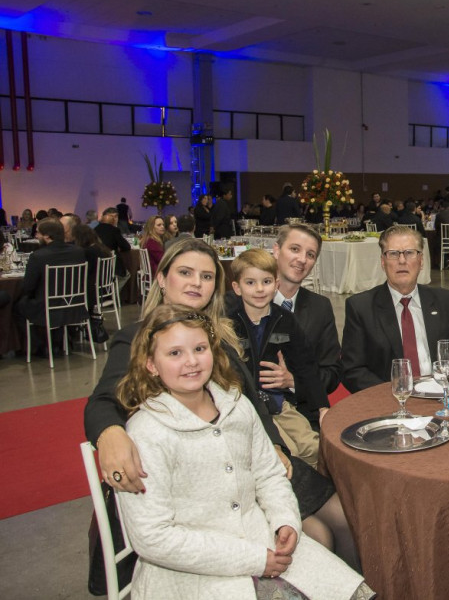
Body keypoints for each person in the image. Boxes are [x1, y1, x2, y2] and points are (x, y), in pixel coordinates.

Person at [82, 239, 352, 560]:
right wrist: (109, 434)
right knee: (320, 535)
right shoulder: (139, 337)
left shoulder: (220, 335)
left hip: (252, 455)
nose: (197, 282)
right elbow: (103, 401)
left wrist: (275, 445)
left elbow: (250, 403)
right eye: (186, 272)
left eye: (207, 276)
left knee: (348, 517)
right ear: (161, 278)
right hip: (201, 479)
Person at [114, 305, 367, 600]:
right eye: (175, 354)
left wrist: (285, 520)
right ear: (151, 365)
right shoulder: (146, 432)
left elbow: (269, 474)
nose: (192, 362)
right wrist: (254, 558)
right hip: (190, 575)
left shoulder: (236, 406)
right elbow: (152, 538)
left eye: (199, 348)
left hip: (263, 542)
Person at [341, 225, 449, 393]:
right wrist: (394, 392)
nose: (402, 260)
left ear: (421, 260)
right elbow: (352, 370)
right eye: (393, 254)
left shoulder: (444, 300)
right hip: (390, 400)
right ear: (383, 261)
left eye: (409, 252)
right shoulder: (361, 307)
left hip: (441, 396)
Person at [226, 249, 324, 468]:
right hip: (248, 409)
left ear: (276, 284)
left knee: (316, 448)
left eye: (266, 281)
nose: (260, 289)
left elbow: (306, 365)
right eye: (250, 283)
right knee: (289, 455)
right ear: (237, 288)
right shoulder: (228, 325)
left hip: (280, 404)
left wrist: (323, 407)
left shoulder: (285, 319)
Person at [272, 224, 342, 418]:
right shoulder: (249, 302)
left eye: (310, 255)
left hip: (308, 410)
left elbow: (332, 374)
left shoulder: (320, 307)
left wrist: (293, 381)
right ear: (276, 250)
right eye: (294, 249)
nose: (302, 259)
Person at [14, 218, 87, 347]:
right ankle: (61, 341)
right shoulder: (78, 251)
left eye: (38, 233)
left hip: (47, 309)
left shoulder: (38, 256)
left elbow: (28, 287)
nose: (36, 236)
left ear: (47, 236)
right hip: (75, 306)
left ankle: (38, 346)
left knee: (17, 305)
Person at [94, 207, 132, 282]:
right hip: (111, 265)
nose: (114, 219)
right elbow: (126, 247)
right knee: (126, 275)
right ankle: (113, 291)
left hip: (96, 265)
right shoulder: (114, 230)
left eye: (116, 216)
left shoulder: (95, 229)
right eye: (112, 217)